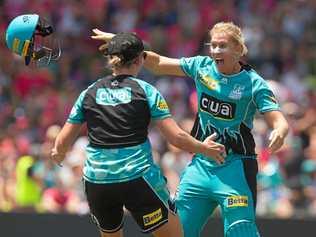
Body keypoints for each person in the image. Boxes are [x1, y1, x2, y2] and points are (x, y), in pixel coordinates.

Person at [92, 21, 289, 237]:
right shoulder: (201, 67)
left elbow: (277, 117)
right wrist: (122, 45)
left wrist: (280, 129)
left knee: (240, 230)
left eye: (222, 46)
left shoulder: (253, 83)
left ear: (238, 49)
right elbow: (157, 64)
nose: (215, 51)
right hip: (201, 166)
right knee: (179, 231)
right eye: (212, 45)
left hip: (236, 167)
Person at [51, 32, 225, 237]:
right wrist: (203, 148)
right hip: (137, 178)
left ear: (111, 59)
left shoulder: (89, 92)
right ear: (140, 59)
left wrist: (58, 153)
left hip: (97, 182)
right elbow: (176, 137)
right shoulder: (146, 91)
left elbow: (62, 141)